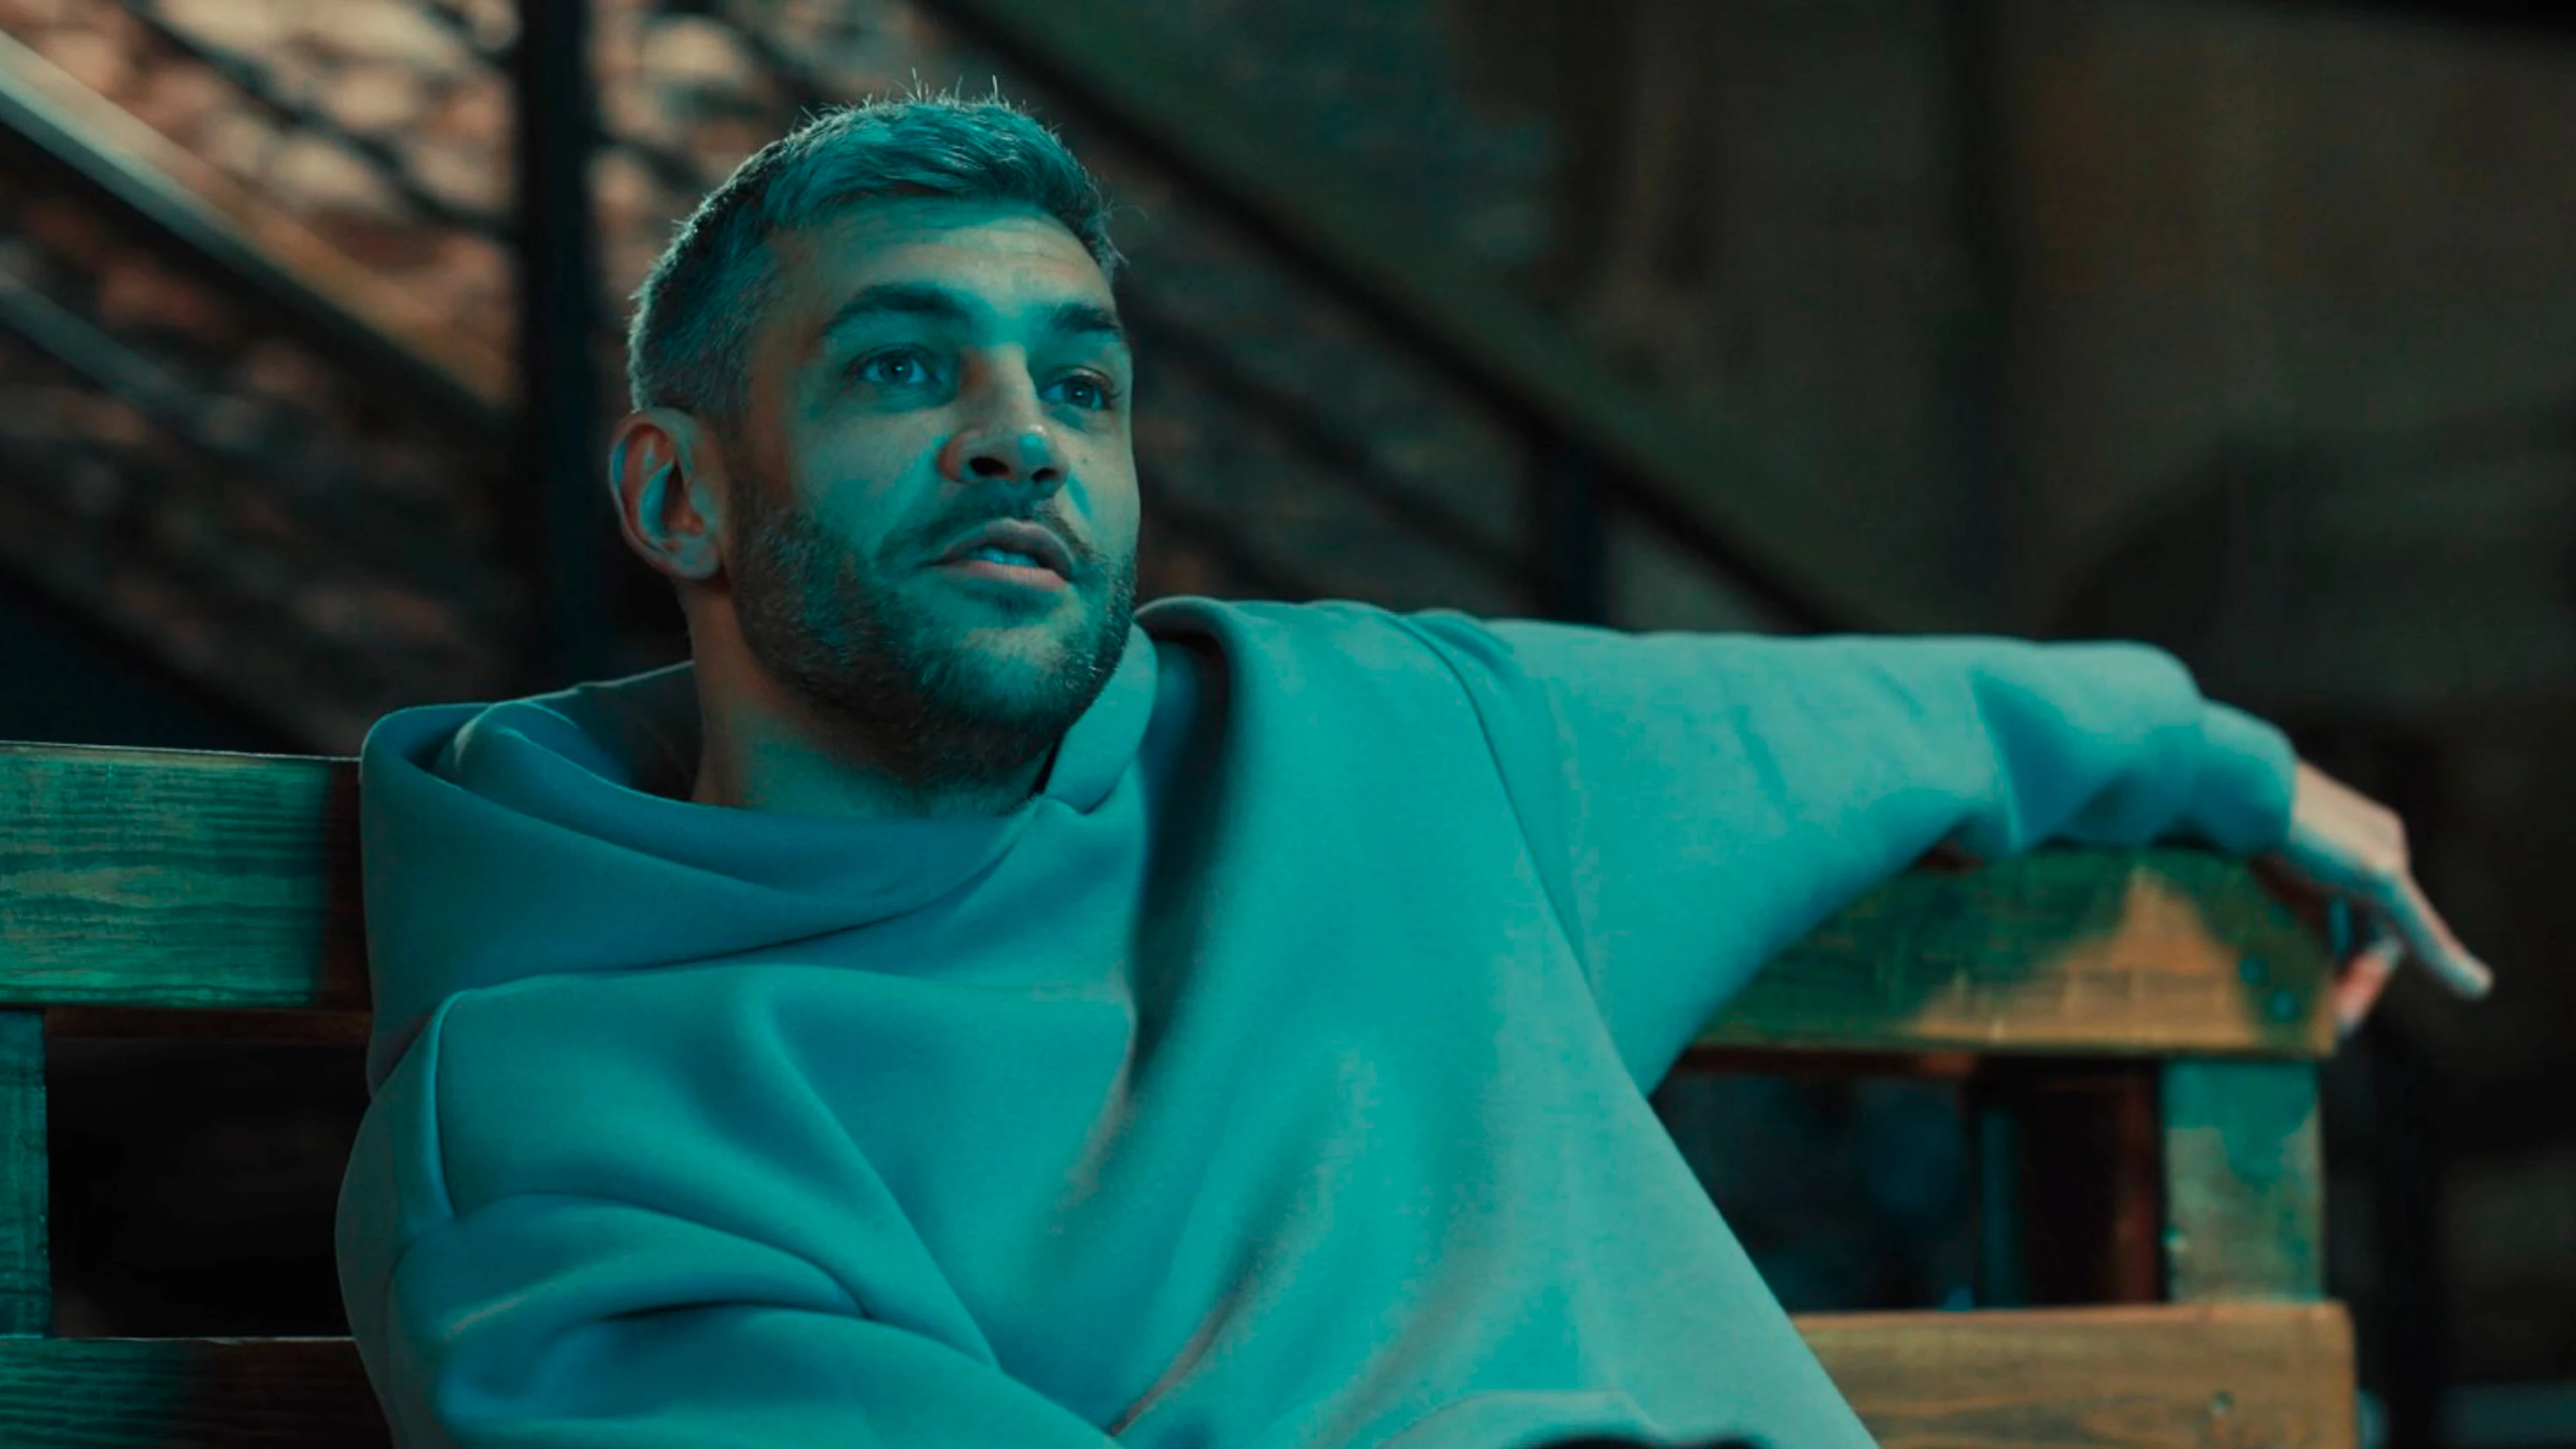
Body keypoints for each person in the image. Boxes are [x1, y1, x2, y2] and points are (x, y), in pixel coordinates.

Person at [332, 87, 2490, 1448]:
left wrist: (2221, 759)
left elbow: (1880, 724)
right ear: (678, 494)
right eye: (903, 368)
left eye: (1081, 385)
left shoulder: (1375, 730)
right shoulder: (558, 1120)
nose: (1020, 440)